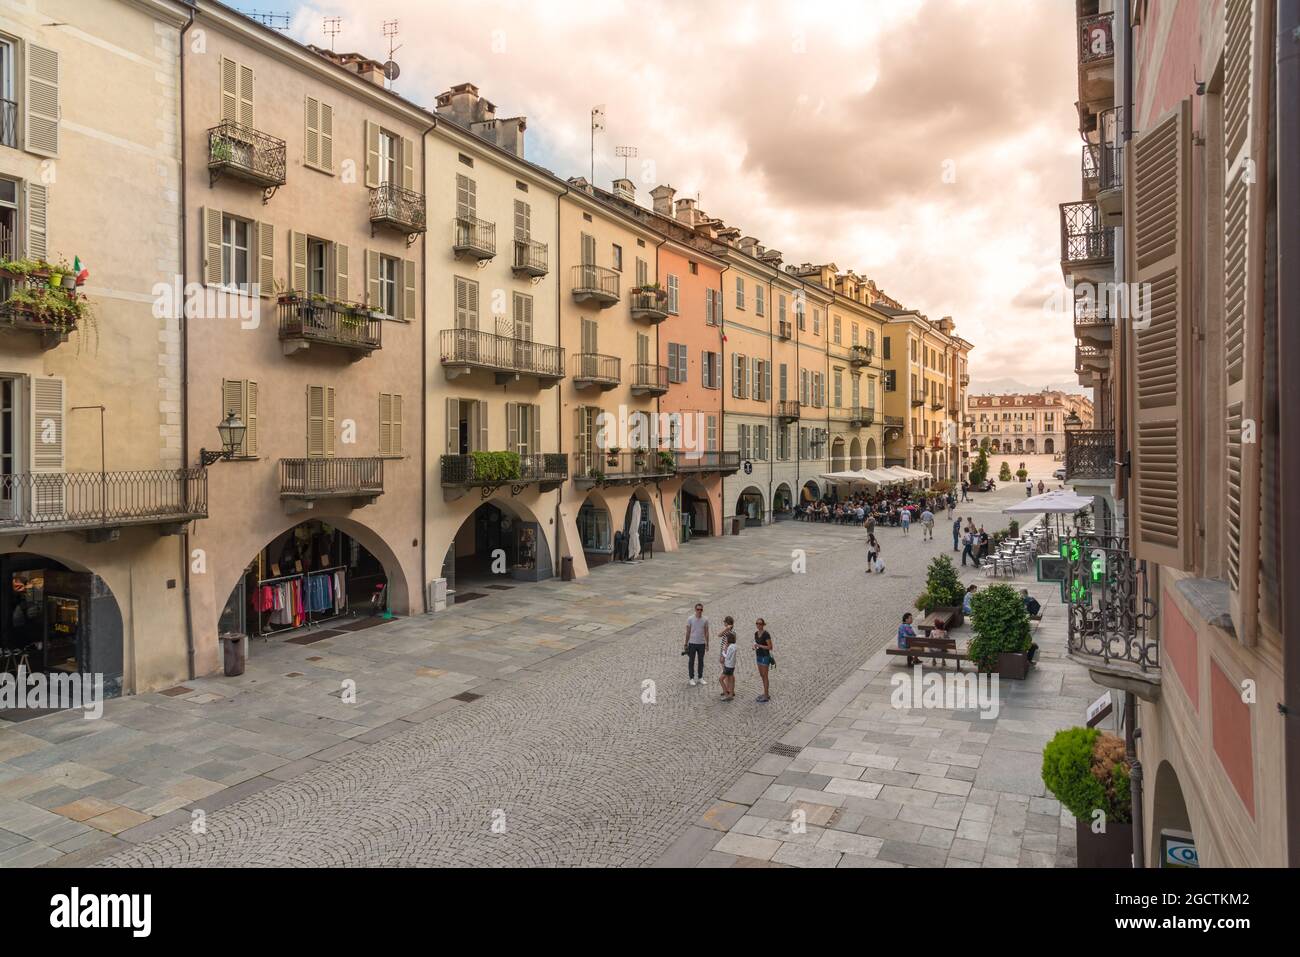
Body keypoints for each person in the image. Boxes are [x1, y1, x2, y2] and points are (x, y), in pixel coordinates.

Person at [683, 603, 710, 687]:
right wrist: (686, 643)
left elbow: (706, 632)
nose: (699, 611)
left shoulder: (705, 619)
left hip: (701, 643)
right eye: (698, 609)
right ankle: (691, 678)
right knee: (691, 661)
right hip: (692, 643)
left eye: (701, 609)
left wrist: (707, 644)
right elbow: (688, 632)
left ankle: (700, 677)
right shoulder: (690, 619)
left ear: (702, 610)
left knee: (701, 661)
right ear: (695, 610)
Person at [753, 619, 773, 702]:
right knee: (762, 675)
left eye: (760, 624)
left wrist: (759, 645)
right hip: (758, 656)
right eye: (757, 623)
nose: (758, 625)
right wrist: (755, 646)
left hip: (765, 656)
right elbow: (756, 643)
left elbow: (770, 647)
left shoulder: (766, 634)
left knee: (765, 675)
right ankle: (765, 693)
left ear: (763, 624)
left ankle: (766, 695)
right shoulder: (756, 634)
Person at [718, 616, 738, 701]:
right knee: (727, 673)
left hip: (727, 655)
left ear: (728, 623)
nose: (724, 623)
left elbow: (731, 643)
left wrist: (723, 655)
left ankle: (730, 691)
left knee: (729, 674)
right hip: (724, 652)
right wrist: (726, 629)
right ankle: (727, 689)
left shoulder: (733, 632)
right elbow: (719, 635)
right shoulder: (726, 631)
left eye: (725, 622)